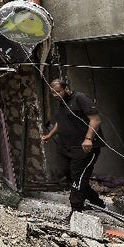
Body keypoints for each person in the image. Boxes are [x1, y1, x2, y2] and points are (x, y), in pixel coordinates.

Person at [41, 78, 104, 212]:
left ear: (66, 88)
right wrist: (50, 135)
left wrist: (88, 139)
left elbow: (95, 120)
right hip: (68, 147)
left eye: (57, 92)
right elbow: (61, 121)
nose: (55, 95)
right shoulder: (62, 102)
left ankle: (76, 210)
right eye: (52, 93)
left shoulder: (80, 98)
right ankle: (96, 202)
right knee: (69, 175)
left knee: (78, 177)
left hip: (85, 148)